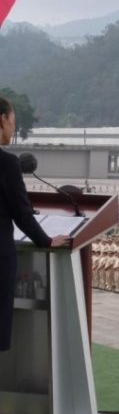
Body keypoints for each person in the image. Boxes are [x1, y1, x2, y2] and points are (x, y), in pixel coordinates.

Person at [0, 97, 70, 351]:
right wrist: (48, 240)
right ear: (2, 120)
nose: (13, 128)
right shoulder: (7, 163)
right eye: (13, 121)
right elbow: (22, 214)